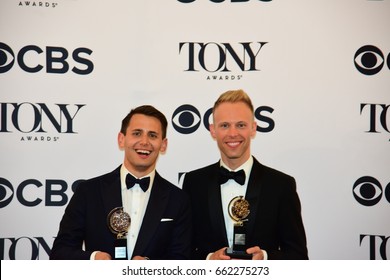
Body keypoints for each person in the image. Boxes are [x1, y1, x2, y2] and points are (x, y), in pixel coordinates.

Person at [50, 105, 191, 260]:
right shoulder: (88, 192)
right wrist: (93, 258)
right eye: (137, 133)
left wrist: (153, 269)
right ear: (121, 139)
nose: (144, 142)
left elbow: (182, 261)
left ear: (163, 145)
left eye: (152, 135)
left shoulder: (178, 200)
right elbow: (60, 253)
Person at [181, 89, 308, 260]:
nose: (233, 133)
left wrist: (265, 257)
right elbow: (181, 252)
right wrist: (208, 259)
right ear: (213, 130)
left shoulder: (281, 185)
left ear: (253, 128)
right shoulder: (194, 183)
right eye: (225, 125)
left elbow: (298, 256)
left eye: (240, 125)